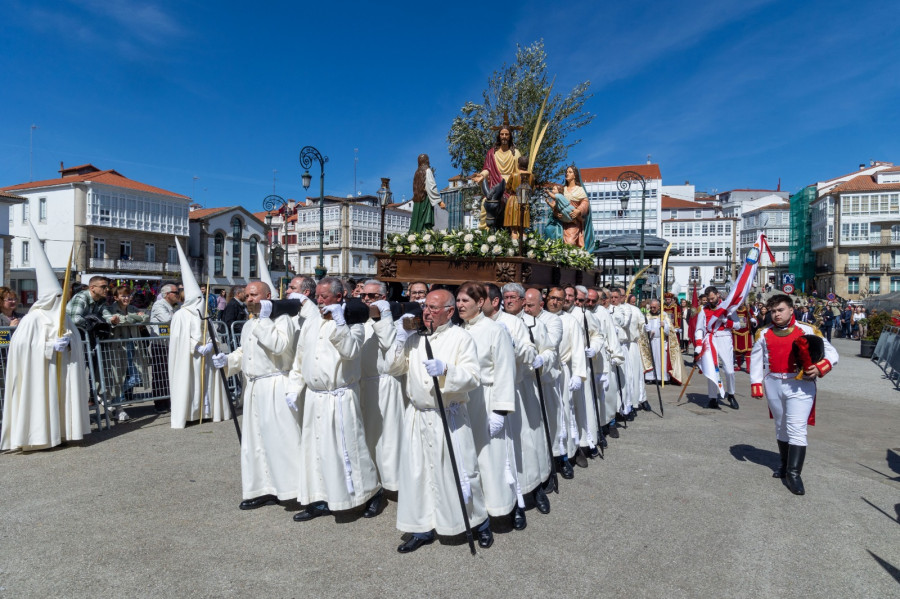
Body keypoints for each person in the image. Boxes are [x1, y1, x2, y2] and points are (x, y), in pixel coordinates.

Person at [383, 288, 489, 553]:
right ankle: (422, 527)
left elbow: (474, 376)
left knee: (460, 472)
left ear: (449, 311)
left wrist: (446, 370)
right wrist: (399, 339)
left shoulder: (461, 338)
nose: (426, 312)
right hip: (418, 416)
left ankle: (478, 523)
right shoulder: (415, 337)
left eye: (432, 308)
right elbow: (393, 368)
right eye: (425, 306)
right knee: (418, 473)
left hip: (448, 416)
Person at [288, 276, 382, 522]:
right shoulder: (312, 321)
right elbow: (301, 356)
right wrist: (294, 386)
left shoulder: (354, 322)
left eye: (324, 296)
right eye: (316, 296)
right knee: (316, 449)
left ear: (339, 297)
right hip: (315, 396)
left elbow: (351, 351)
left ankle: (370, 492)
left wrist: (341, 323)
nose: (318, 301)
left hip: (340, 394)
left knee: (349, 447)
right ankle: (320, 498)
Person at [212, 281, 304, 511]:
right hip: (253, 387)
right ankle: (262, 488)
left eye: (254, 295)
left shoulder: (282, 319)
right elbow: (245, 352)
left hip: (275, 384)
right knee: (256, 442)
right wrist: (228, 360)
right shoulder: (248, 324)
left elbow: (280, 346)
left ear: (268, 296)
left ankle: (291, 488)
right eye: (247, 296)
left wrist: (264, 319)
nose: (250, 300)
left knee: (281, 440)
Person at [1, 224, 90, 451]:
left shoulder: (64, 318)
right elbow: (20, 347)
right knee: (41, 399)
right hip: (40, 371)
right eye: (55, 296)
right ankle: (39, 436)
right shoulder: (33, 318)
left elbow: (76, 339)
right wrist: (49, 346)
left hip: (60, 369)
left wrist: (70, 343)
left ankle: (62, 431)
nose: (59, 301)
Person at [751, 294, 838, 495]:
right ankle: (783, 464)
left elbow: (832, 353)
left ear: (791, 309)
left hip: (800, 384)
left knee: (796, 427)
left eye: (780, 310)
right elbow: (756, 359)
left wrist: (820, 367)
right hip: (773, 383)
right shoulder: (763, 333)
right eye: (773, 311)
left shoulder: (807, 329)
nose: (776, 314)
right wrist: (756, 383)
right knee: (781, 425)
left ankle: (794, 474)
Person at [456, 282, 519, 532]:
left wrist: (500, 410)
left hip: (489, 398)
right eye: (458, 300)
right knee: (468, 458)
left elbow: (505, 370)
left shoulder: (495, 330)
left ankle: (499, 510)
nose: (460, 305)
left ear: (480, 303)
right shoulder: (458, 329)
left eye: (465, 301)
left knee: (490, 458)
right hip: (464, 401)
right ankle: (471, 510)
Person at [498, 283, 551, 513]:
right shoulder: (495, 323)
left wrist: (541, 359)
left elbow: (548, 349)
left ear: (522, 300)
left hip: (524, 387)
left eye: (513, 297)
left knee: (530, 441)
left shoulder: (533, 324)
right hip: (500, 390)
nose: (509, 301)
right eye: (506, 297)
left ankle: (536, 487)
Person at [168, 241, 231, 428]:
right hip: (190, 358)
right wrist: (196, 346)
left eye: (201, 298)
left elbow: (211, 331)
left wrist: (211, 343)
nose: (200, 301)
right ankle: (190, 413)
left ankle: (208, 411)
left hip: (207, 357)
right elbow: (179, 339)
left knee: (207, 384)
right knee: (190, 384)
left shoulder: (204, 315)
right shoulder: (180, 315)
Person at [357, 279, 405, 495]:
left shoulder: (393, 320)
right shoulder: (360, 320)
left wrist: (383, 318)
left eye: (372, 296)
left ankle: (392, 482)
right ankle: (371, 480)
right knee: (366, 436)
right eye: (364, 296)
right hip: (363, 384)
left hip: (386, 383)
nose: (367, 299)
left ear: (383, 298)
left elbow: (390, 345)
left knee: (388, 436)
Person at [523, 288, 571, 479]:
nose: (526, 309)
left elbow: (551, 342)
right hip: (527, 380)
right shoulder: (519, 319)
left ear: (540, 305)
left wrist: (540, 357)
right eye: (524, 305)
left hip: (546, 379)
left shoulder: (553, 320)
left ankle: (559, 459)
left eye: (530, 305)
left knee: (553, 423)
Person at [101, 285, 150, 422]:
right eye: (123, 296)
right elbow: (116, 321)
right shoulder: (110, 308)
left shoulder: (132, 308)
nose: (126, 298)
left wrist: (130, 317)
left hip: (133, 345)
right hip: (117, 346)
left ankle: (111, 400)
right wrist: (133, 318)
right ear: (116, 297)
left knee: (137, 376)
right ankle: (118, 406)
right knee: (118, 377)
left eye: (128, 295)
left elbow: (145, 318)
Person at [472, 121, 522, 230]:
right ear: (499, 136)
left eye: (506, 134)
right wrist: (481, 175)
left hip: (509, 185)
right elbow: (487, 169)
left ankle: (514, 231)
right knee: (485, 202)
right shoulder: (492, 153)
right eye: (502, 134)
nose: (504, 136)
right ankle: (484, 232)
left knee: (514, 204)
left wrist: (513, 183)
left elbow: (518, 172)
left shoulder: (515, 153)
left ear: (510, 136)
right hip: (495, 185)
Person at [694, 286, 738, 410]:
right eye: (708, 299)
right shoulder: (704, 309)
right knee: (712, 368)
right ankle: (713, 398)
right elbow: (699, 329)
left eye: (712, 298)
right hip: (710, 338)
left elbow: (739, 324)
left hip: (724, 337)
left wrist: (725, 320)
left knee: (729, 370)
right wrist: (698, 346)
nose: (711, 301)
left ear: (718, 295)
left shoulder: (727, 307)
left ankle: (731, 394)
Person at [545, 165, 593, 250]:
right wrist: (556, 213)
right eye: (566, 172)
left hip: (573, 221)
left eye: (570, 172)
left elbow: (585, 203)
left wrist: (578, 210)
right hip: (560, 222)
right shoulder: (563, 189)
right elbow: (554, 204)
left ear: (575, 175)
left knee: (569, 242)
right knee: (549, 231)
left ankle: (570, 260)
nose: (567, 174)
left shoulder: (579, 189)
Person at [148, 283, 179, 412]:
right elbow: (167, 319)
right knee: (160, 374)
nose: (177, 295)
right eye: (175, 292)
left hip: (169, 344)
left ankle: (168, 400)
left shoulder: (172, 307)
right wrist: (179, 316)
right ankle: (160, 403)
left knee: (169, 374)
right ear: (167, 294)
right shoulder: (159, 305)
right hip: (160, 344)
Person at [642, 298, 683, 384]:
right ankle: (651, 377)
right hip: (652, 341)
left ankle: (663, 378)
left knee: (662, 360)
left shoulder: (663, 315)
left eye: (654, 307)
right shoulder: (648, 315)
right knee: (652, 359)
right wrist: (646, 330)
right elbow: (643, 330)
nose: (652, 309)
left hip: (662, 341)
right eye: (651, 307)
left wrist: (665, 326)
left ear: (659, 306)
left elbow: (671, 330)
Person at [409, 154, 444, 233]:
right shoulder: (427, 170)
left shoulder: (417, 172)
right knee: (425, 224)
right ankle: (425, 235)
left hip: (417, 202)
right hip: (425, 200)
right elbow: (431, 187)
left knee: (417, 223)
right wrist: (439, 201)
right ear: (427, 161)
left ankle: (415, 234)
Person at [732, 303, 755, 372]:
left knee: (748, 351)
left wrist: (753, 320)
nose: (740, 304)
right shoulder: (733, 310)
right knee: (737, 351)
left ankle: (748, 368)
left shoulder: (748, 310)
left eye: (741, 303)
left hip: (746, 333)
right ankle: (739, 366)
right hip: (736, 333)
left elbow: (754, 319)